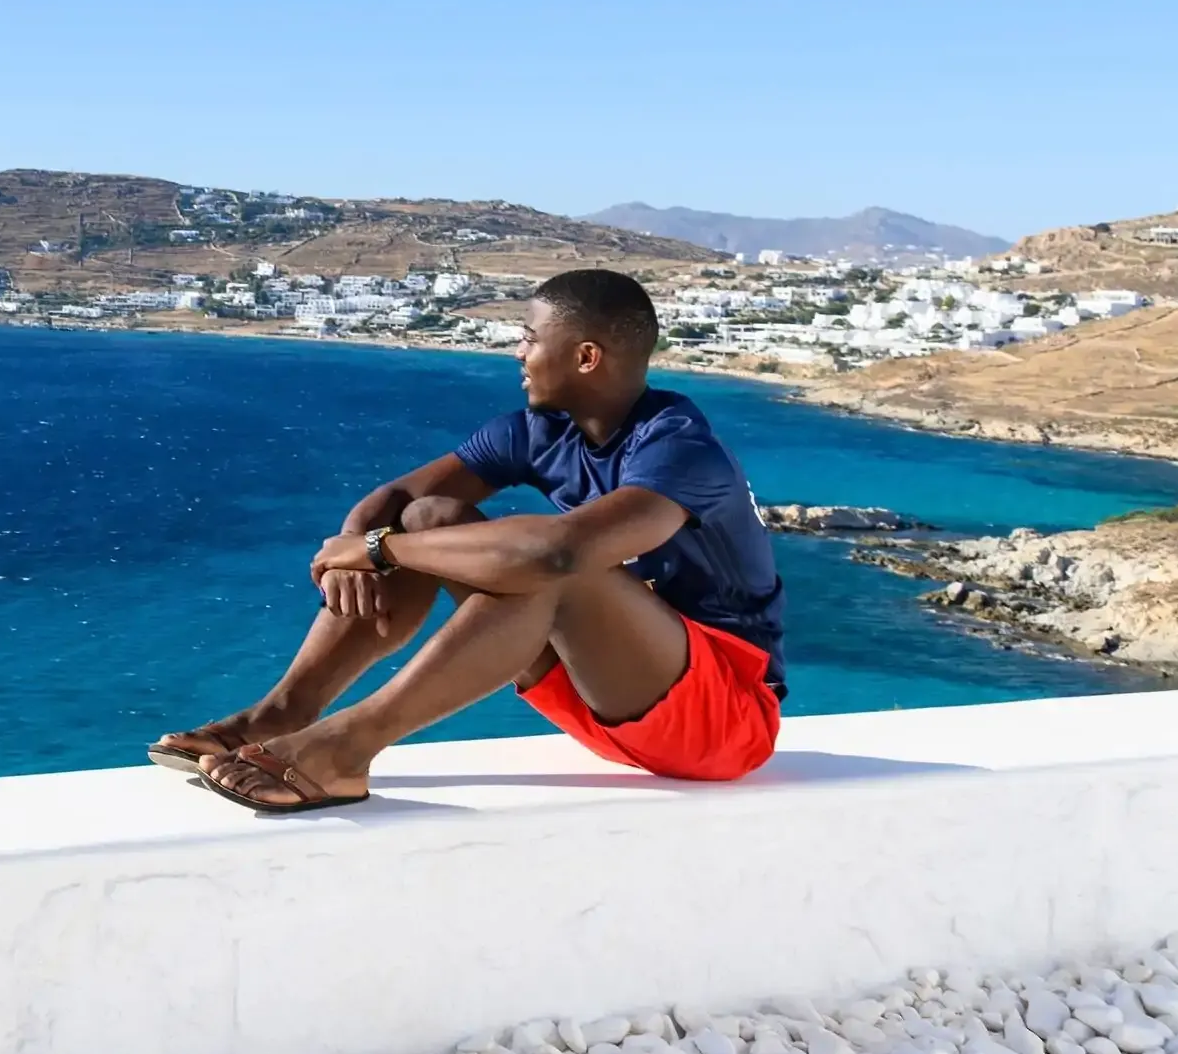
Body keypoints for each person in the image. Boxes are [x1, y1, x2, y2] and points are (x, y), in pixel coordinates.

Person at [151, 267, 785, 812]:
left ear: (586, 357)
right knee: (431, 516)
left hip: (722, 719)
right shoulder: (538, 432)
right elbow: (396, 502)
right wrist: (359, 545)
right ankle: (285, 712)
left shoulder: (680, 448)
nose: (518, 352)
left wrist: (376, 550)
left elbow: (556, 553)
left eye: (530, 338)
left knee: (555, 563)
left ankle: (345, 749)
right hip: (597, 701)